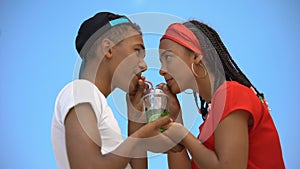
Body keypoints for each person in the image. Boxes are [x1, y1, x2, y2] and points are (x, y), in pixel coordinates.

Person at [51, 12, 175, 169]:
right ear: (108, 48)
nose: (144, 65)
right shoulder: (81, 90)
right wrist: (141, 136)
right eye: (137, 51)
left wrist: (135, 117)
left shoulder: (95, 102)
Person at [158, 21, 286, 169]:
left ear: (196, 56)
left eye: (168, 58)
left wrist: (184, 136)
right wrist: (175, 120)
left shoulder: (232, 93)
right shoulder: (212, 120)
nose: (161, 70)